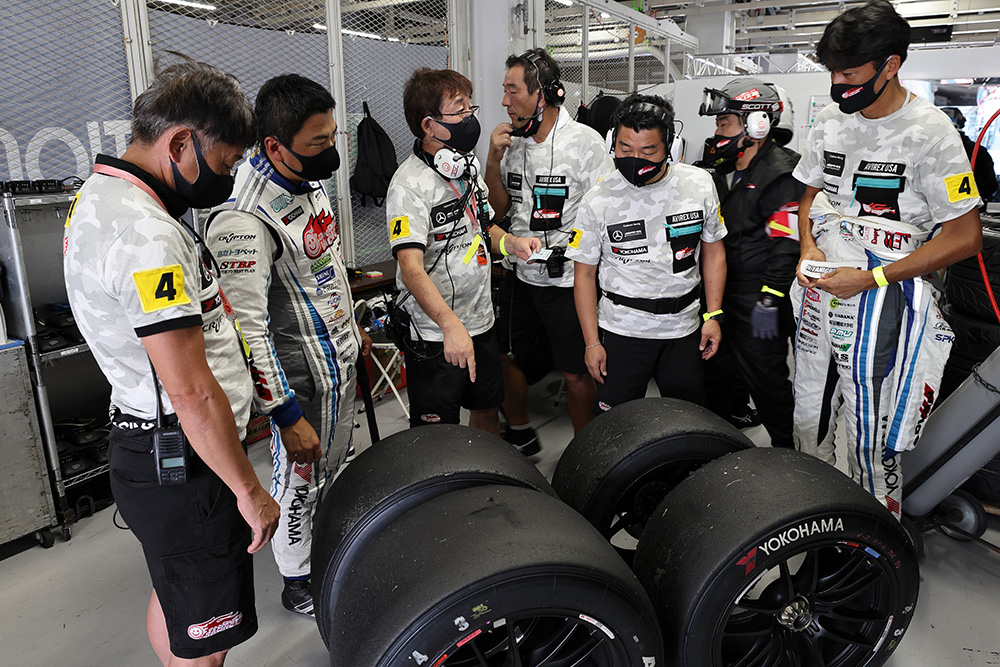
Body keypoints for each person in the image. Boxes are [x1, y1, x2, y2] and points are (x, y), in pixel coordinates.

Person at [63, 61, 280, 666]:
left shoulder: (103, 195)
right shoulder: (147, 235)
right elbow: (191, 392)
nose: (228, 180)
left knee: (179, 595)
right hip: (184, 458)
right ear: (180, 143)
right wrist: (248, 490)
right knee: (207, 639)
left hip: (152, 442)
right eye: (225, 164)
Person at [792, 0, 983, 518]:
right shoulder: (830, 120)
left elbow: (965, 236)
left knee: (870, 424)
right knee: (809, 407)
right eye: (833, 73)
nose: (838, 84)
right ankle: (813, 518)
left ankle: (876, 535)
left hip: (885, 298)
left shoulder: (932, 132)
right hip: (822, 290)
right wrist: (808, 245)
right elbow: (808, 195)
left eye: (849, 73)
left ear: (890, 65)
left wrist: (872, 277)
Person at [206, 74, 370, 617]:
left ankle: (333, 552)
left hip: (338, 359)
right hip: (299, 381)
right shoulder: (242, 218)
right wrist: (284, 413)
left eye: (333, 137)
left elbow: (323, 262)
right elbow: (246, 331)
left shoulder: (306, 177)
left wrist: (353, 327)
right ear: (275, 146)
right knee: (301, 479)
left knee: (337, 466)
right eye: (318, 142)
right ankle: (298, 579)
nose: (331, 151)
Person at [386, 68, 540, 434]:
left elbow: (483, 229)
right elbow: (410, 268)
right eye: (460, 110)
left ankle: (485, 469)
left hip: (481, 322)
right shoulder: (408, 185)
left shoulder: (466, 167)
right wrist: (449, 325)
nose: (470, 117)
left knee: (486, 410)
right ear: (429, 125)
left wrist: (512, 243)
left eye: (471, 108)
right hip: (435, 334)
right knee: (439, 434)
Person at [485, 48, 614, 450]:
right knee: (506, 355)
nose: (505, 101)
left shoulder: (585, 143)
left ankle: (584, 454)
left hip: (568, 282)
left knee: (576, 373)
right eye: (504, 90)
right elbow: (499, 209)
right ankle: (520, 431)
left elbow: (606, 213)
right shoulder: (512, 143)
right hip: (520, 274)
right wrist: (492, 160)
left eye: (513, 91)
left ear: (544, 94)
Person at [567, 94, 727, 411]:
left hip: (684, 330)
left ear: (671, 147)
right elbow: (583, 275)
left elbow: (714, 252)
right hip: (621, 331)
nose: (635, 159)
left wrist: (713, 315)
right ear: (612, 143)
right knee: (616, 426)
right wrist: (591, 342)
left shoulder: (699, 184)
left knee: (687, 418)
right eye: (625, 149)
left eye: (648, 151)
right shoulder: (598, 199)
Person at [697, 78, 803, 449]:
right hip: (717, 294)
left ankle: (789, 455)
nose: (717, 131)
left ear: (758, 123)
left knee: (768, 383)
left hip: (757, 296)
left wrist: (769, 299)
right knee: (715, 378)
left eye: (724, 122)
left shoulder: (783, 173)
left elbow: (787, 244)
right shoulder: (719, 169)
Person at [940, 106, 998, 203]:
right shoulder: (978, 151)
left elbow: (989, 186)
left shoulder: (977, 152)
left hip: (968, 206)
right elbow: (990, 186)